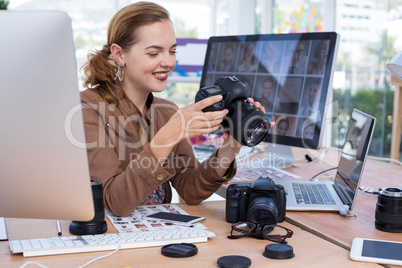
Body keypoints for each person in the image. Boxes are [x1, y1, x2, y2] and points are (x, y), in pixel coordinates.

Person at [80, 2, 266, 217]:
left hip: (157, 234)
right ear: (119, 55)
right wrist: (167, 137)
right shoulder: (88, 108)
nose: (168, 62)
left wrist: (231, 146)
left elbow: (191, 190)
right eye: (153, 53)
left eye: (172, 51)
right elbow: (115, 203)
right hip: (111, 241)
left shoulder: (166, 110)